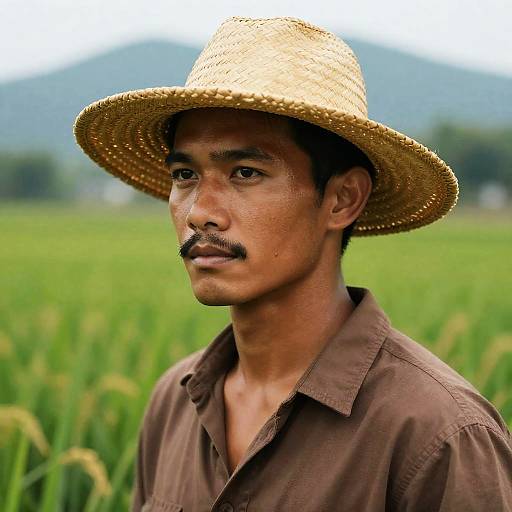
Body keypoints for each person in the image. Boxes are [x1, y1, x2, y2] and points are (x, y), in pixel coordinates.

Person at [74, 16, 512, 512]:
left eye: (245, 172)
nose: (200, 212)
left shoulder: (438, 434)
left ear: (342, 199)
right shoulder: (174, 403)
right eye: (184, 174)